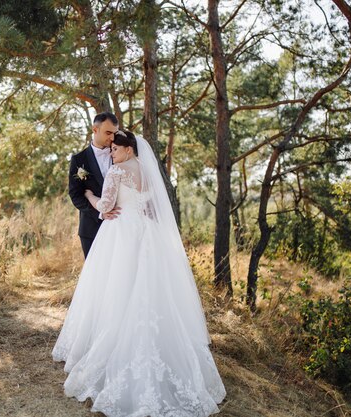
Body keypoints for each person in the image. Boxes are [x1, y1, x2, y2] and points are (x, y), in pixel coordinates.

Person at [53, 130, 226, 416]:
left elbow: (107, 206)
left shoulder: (117, 172)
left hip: (120, 232)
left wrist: (89, 195)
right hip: (146, 234)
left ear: (129, 150)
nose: (112, 154)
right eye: (110, 150)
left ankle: (110, 346)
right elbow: (149, 205)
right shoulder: (147, 172)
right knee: (149, 290)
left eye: (116, 149)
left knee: (115, 288)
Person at [68, 112, 121, 258]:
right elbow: (75, 195)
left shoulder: (121, 154)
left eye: (114, 133)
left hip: (120, 227)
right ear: (95, 130)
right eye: (108, 132)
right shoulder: (79, 160)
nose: (112, 138)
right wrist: (100, 214)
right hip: (91, 229)